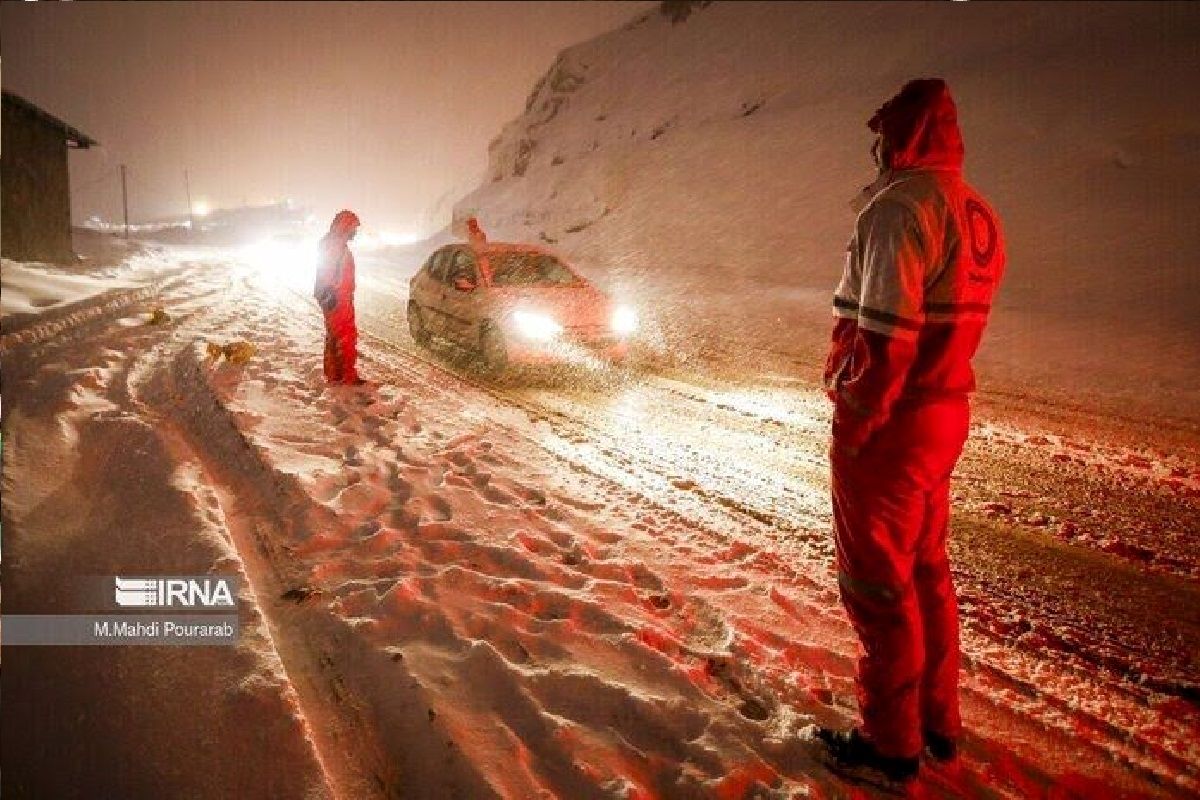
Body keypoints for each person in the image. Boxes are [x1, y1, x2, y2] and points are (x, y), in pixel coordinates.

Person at [816, 78, 1005, 782]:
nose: (878, 147)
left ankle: (890, 746)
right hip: (945, 410)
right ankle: (937, 722)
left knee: (877, 585)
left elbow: (887, 339)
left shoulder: (898, 209)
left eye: (885, 133)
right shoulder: (976, 208)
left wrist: (857, 423)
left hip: (894, 421)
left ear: (903, 137)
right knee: (926, 571)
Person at [313, 209, 366, 386]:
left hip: (336, 297)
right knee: (345, 336)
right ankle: (347, 376)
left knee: (335, 336)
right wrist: (330, 292)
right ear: (345, 227)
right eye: (353, 228)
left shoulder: (335, 243)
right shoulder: (334, 246)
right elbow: (326, 271)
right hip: (336, 298)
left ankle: (335, 374)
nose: (355, 232)